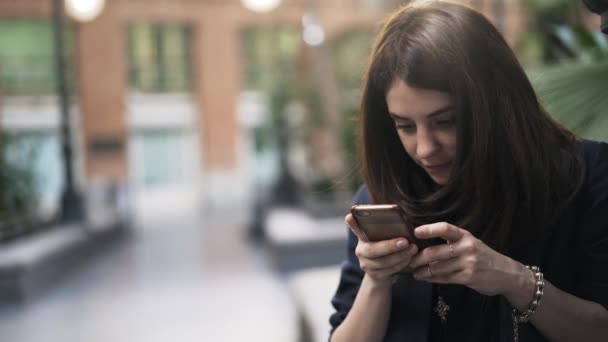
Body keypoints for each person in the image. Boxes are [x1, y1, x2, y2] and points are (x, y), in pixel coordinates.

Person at [328, 1, 608, 342]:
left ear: (494, 104)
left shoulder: (585, 178)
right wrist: (376, 281)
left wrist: (515, 280)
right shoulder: (384, 196)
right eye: (405, 126)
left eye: (444, 121)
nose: (425, 148)